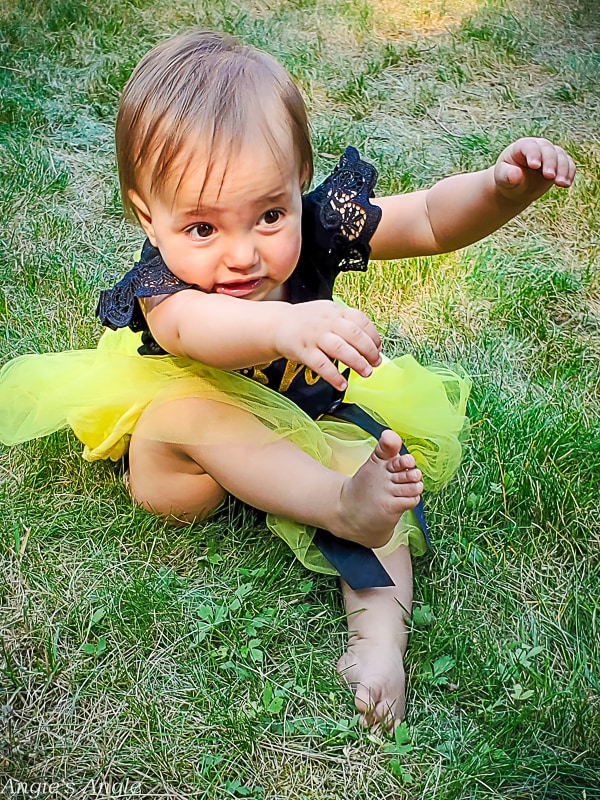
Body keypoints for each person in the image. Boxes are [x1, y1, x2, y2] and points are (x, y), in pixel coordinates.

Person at [0, 30, 575, 732]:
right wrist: (279, 329)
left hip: (304, 422)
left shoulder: (321, 220)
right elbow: (192, 331)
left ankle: (378, 643)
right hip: (186, 464)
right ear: (149, 215)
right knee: (190, 415)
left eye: (270, 214)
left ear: (299, 177)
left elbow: (424, 218)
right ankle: (334, 505)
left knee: (381, 478)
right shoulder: (161, 283)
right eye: (203, 229)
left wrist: (500, 190)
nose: (243, 254)